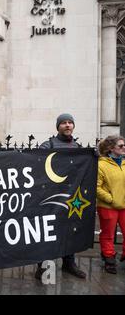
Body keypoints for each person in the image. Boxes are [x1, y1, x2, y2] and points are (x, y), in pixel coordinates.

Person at [35, 113, 87, 280]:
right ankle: (43, 266)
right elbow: (35, 162)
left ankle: (69, 263)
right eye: (63, 123)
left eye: (70, 122)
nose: (67, 125)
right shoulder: (48, 145)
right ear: (58, 126)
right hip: (50, 196)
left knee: (70, 230)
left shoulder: (79, 148)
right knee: (48, 230)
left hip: (71, 197)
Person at [96, 135, 125, 274]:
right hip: (108, 206)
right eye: (120, 146)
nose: (123, 147)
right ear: (110, 148)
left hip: (124, 206)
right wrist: (110, 199)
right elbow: (96, 187)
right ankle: (109, 259)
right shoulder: (101, 165)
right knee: (108, 234)